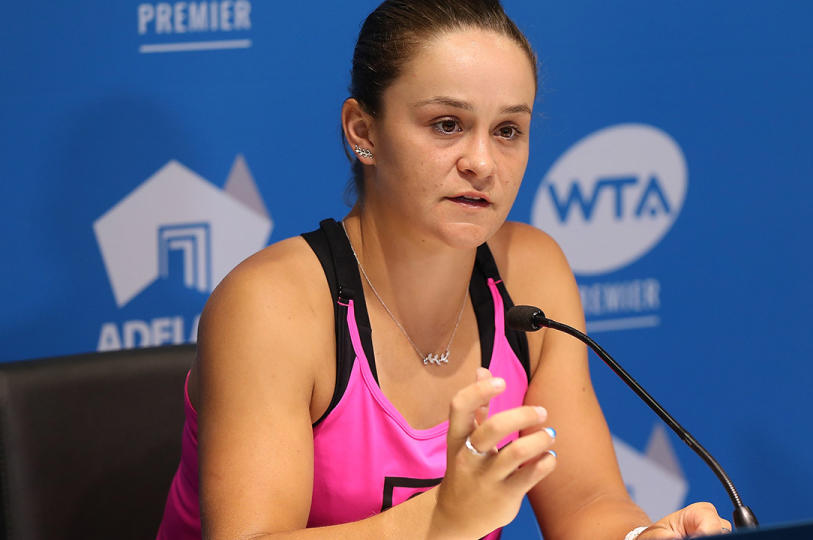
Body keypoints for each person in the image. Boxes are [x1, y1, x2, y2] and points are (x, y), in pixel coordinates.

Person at [157, 1, 733, 538]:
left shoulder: (530, 271)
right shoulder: (271, 304)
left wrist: (642, 535)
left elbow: (586, 504)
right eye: (446, 125)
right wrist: (443, 517)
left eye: (508, 131)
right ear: (364, 132)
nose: (482, 163)